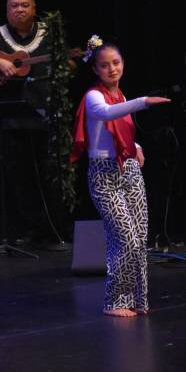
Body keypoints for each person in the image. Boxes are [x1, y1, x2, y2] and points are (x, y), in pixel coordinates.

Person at [71, 36, 170, 317]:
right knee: (124, 237)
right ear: (96, 70)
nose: (112, 69)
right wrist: (144, 101)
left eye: (116, 63)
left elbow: (123, 131)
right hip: (104, 177)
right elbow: (105, 114)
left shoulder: (121, 95)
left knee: (138, 237)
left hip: (129, 172)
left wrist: (136, 147)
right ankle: (116, 301)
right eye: (105, 65)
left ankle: (138, 299)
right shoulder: (94, 96)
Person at [0, 0, 66, 246]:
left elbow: (67, 64)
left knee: (50, 175)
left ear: (34, 7)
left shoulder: (49, 34)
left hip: (46, 117)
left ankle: (56, 230)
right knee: (20, 180)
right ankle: (31, 230)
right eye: (14, 6)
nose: (19, 10)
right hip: (11, 121)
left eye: (24, 5)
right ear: (7, 9)